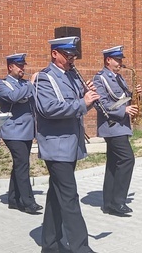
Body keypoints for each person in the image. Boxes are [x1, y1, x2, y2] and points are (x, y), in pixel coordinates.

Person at [34, 36, 98, 253]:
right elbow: (48, 109)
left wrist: (87, 97)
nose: (72, 59)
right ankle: (81, 247)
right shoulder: (45, 78)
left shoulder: (72, 76)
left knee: (56, 195)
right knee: (70, 196)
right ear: (55, 54)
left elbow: (77, 108)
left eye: (73, 55)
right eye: (67, 55)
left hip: (70, 144)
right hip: (56, 147)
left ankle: (50, 245)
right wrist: (83, 102)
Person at [92, 45, 141, 216]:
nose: (121, 63)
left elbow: (123, 98)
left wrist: (135, 94)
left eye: (121, 60)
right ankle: (118, 201)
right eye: (118, 60)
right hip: (112, 126)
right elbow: (102, 104)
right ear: (108, 60)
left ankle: (109, 204)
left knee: (113, 164)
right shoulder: (100, 78)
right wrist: (124, 110)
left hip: (121, 126)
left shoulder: (119, 78)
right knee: (127, 159)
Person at [0, 53, 41, 214]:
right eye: (19, 66)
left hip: (27, 131)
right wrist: (31, 84)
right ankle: (28, 202)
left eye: (23, 65)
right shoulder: (2, 84)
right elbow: (14, 97)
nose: (23, 68)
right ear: (10, 67)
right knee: (23, 164)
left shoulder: (23, 83)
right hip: (12, 131)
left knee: (19, 164)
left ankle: (13, 199)